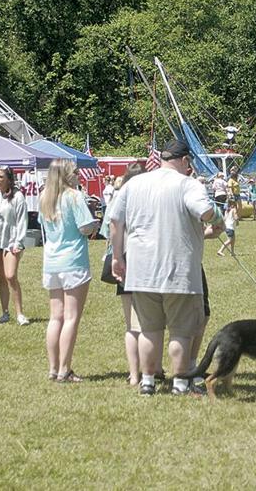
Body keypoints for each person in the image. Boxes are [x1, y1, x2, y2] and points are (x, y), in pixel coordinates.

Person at [109, 139, 222, 397]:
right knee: (181, 331)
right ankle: (180, 383)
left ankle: (147, 381)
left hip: (141, 269)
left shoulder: (135, 183)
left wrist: (117, 257)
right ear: (184, 161)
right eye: (189, 164)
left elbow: (115, 221)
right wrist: (219, 221)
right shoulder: (187, 184)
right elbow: (205, 210)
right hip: (178, 270)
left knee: (149, 330)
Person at [40, 159, 99, 383]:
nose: (78, 175)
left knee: (55, 317)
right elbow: (85, 227)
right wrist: (94, 224)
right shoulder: (74, 196)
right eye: (75, 172)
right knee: (71, 318)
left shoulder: (45, 197)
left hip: (52, 262)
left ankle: (53, 368)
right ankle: (65, 368)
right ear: (66, 174)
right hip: (73, 260)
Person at [100, 163, 147, 386]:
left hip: (125, 261)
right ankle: (149, 370)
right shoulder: (147, 199)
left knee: (131, 324)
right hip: (144, 263)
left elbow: (107, 229)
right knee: (148, 323)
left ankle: (134, 374)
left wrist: (116, 256)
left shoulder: (118, 199)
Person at [0, 167, 30, 326]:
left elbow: (22, 220)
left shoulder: (17, 196)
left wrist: (18, 241)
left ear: (9, 179)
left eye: (0, 176)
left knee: (10, 276)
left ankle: (20, 314)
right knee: (1, 277)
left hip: (11, 241)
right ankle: (5, 313)